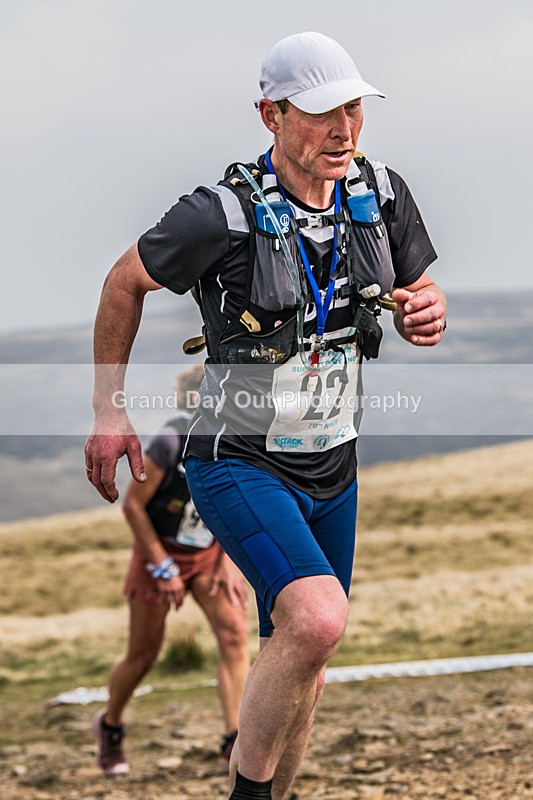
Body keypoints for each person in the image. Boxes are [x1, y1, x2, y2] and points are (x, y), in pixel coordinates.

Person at [85, 31, 447, 800]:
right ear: (270, 116)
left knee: (305, 655)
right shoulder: (216, 215)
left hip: (333, 464)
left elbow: (419, 291)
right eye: (319, 113)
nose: (342, 129)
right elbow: (123, 283)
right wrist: (108, 407)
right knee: (316, 621)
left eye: (353, 108)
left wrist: (424, 312)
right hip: (237, 457)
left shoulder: (380, 193)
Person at [92, 365, 249, 777]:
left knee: (234, 634)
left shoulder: (238, 440)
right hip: (158, 552)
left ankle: (234, 741)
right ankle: (110, 725)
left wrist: (231, 560)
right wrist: (162, 567)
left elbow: (238, 505)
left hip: (209, 553)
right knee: (143, 654)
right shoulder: (170, 440)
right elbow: (132, 506)